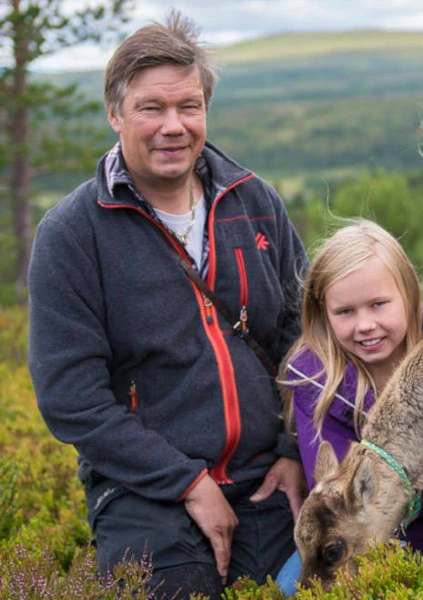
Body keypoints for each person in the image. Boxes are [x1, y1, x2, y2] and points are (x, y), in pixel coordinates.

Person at [27, 12, 307, 599]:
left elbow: (301, 338)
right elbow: (70, 399)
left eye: (189, 106)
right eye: (151, 108)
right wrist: (186, 482)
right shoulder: (73, 233)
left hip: (268, 476)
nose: (173, 126)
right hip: (142, 491)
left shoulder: (255, 202)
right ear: (115, 114)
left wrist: (293, 451)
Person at [279, 219, 423, 555]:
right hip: (352, 548)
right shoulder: (316, 383)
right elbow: (335, 498)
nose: (365, 325)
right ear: (323, 313)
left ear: (408, 297)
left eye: (378, 304)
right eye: (345, 312)